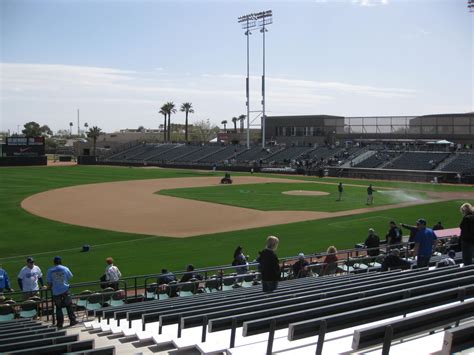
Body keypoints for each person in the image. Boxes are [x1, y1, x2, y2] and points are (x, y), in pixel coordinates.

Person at [46, 256, 77, 328]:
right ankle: (72, 321)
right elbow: (70, 276)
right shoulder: (65, 268)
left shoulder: (50, 270)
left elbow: (49, 283)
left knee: (58, 308)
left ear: (54, 262)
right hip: (65, 290)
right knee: (69, 306)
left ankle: (60, 324)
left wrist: (48, 288)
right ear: (60, 261)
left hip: (56, 292)